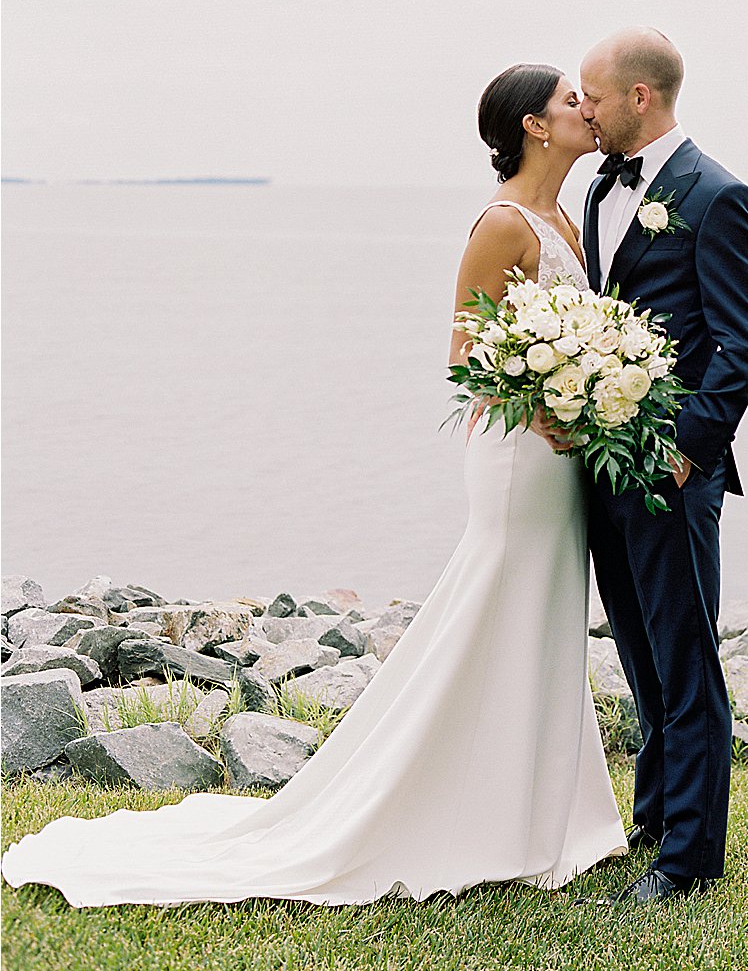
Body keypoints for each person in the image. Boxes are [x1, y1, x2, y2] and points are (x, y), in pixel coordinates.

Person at [0, 64, 628, 907]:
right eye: (568, 102)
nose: (585, 109)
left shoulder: (568, 216)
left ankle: (545, 813)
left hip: (561, 453)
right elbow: (463, 355)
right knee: (499, 604)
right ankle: (456, 807)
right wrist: (546, 401)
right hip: (519, 454)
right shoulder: (501, 223)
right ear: (533, 126)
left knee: (543, 612)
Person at [564, 27, 748, 906]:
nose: (585, 110)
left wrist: (689, 448)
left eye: (594, 97)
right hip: (608, 463)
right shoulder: (601, 191)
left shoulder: (716, 194)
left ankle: (686, 858)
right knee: (642, 654)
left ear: (639, 97)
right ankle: (653, 813)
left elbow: (741, 341)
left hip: (674, 471)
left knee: (685, 663)